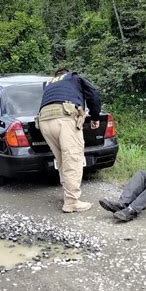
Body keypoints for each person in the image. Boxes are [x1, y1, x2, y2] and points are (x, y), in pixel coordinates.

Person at [37, 68, 101, 213]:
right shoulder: (74, 77)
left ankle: (68, 195)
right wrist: (95, 117)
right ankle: (71, 202)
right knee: (73, 158)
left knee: (62, 160)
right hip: (65, 118)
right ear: (66, 73)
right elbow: (93, 95)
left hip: (44, 121)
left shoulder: (49, 83)